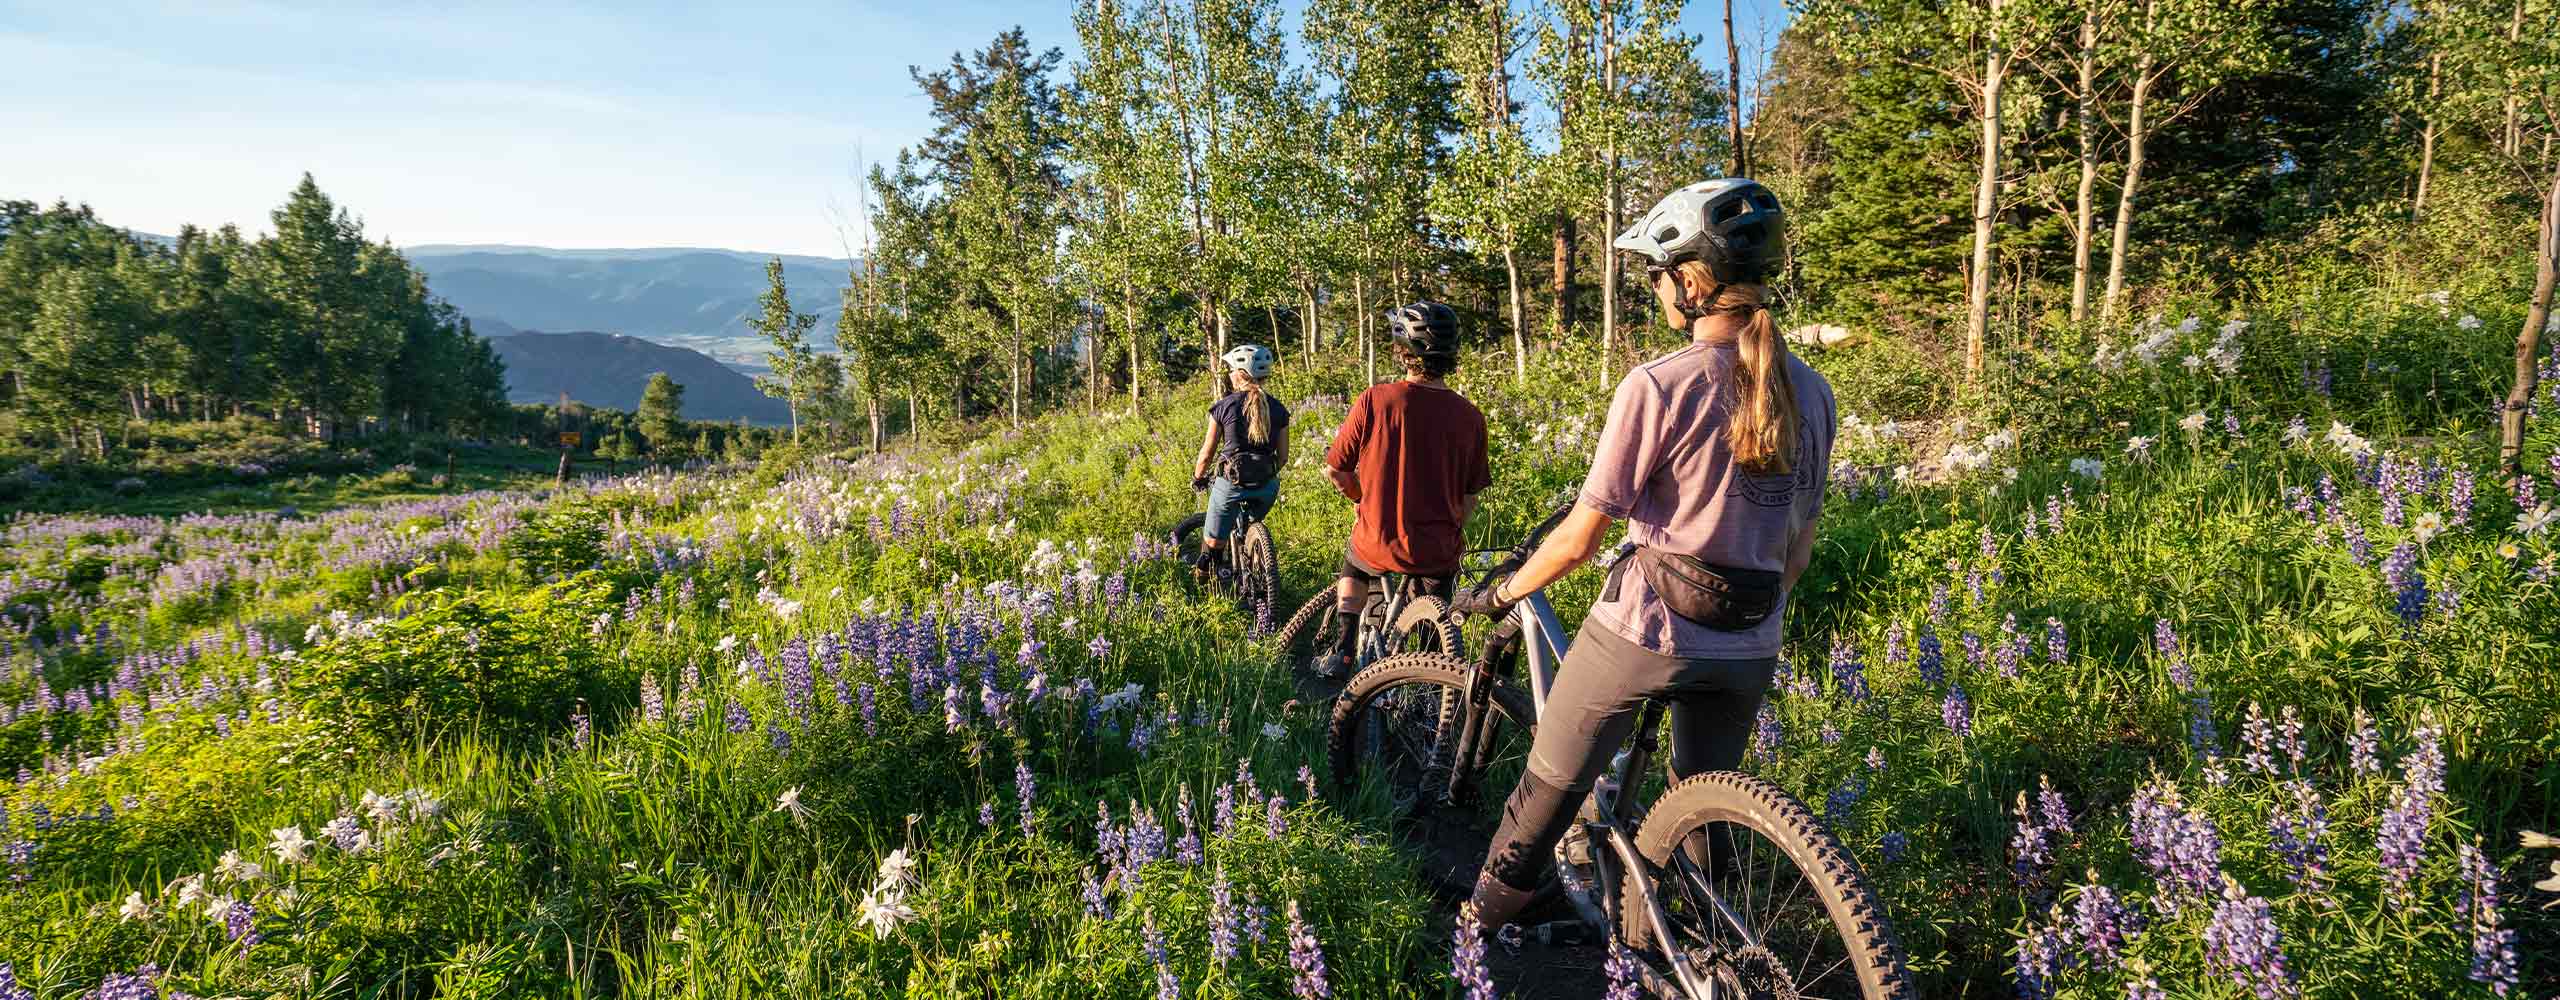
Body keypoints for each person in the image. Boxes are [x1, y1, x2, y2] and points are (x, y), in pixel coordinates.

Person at [1449, 178, 1839, 927]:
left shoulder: (1658, 384)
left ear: (1692, 282)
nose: (1656, 290)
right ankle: (1700, 939)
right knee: (1706, 804)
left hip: (1648, 633)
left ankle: (1485, 923)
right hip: (1752, 639)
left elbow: (1577, 541)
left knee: (1548, 785)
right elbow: (1798, 548)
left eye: (1658, 277)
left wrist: (1499, 596)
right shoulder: (1813, 393)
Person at [1314, 302, 1492, 678]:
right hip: (1437, 551)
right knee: (1434, 611)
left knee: (1355, 560)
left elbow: (1337, 469)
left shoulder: (1377, 400)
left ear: (1403, 351)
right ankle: (1432, 676)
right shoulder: (1471, 417)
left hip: (1378, 540)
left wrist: (1361, 500)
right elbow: (1470, 496)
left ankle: (1344, 647)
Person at [1190, 344, 1290, 580]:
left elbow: (1206, 454)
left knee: (1212, 544)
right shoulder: (1279, 409)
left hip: (1231, 485)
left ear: (1241, 373)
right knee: (1249, 524)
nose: (1229, 373)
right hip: (1267, 488)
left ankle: (1204, 587)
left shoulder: (1224, 406)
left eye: (1232, 369)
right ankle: (1253, 557)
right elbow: (1283, 457)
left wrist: (1198, 478)